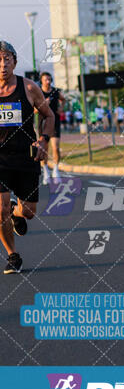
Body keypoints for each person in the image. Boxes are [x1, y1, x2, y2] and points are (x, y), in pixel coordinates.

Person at [0, 42, 54, 274]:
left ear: (14, 61)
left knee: (29, 212)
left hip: (26, 157)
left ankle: (16, 211)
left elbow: (48, 115)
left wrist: (42, 140)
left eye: (7, 59)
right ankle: (13, 255)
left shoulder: (29, 88)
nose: (3, 65)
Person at [39, 72, 65, 184]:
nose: (48, 82)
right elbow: (34, 110)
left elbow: (63, 100)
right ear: (41, 81)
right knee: (44, 149)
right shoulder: (38, 92)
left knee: (56, 147)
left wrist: (61, 109)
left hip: (54, 122)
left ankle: (56, 170)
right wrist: (44, 104)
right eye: (46, 80)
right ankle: (45, 172)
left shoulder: (55, 91)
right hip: (42, 123)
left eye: (49, 79)